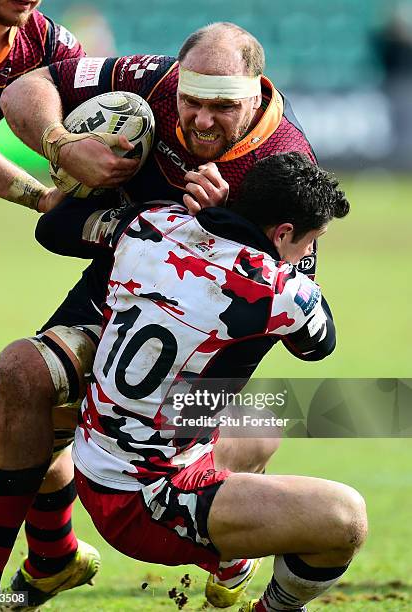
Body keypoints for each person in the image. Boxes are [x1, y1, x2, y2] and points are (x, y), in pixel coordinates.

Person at [0, 22, 318, 610]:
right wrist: (60, 142)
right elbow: (26, 86)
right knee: (23, 375)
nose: (201, 120)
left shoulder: (283, 168)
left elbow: (303, 323)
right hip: (122, 280)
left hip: (207, 335)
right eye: (191, 102)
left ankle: (225, 518)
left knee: (243, 425)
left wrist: (228, 234)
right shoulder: (150, 78)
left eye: (222, 107)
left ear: (256, 94)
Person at [64, 151, 366, 612]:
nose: (308, 254)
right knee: (346, 519)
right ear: (283, 233)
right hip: (145, 503)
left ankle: (230, 566)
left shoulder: (155, 222)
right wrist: (283, 266)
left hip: (94, 461)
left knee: (262, 423)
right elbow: (318, 344)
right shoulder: (280, 291)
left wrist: (218, 220)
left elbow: (54, 228)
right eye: (311, 242)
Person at [0, 0, 102, 607]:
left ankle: (50, 555)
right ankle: (55, 554)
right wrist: (45, 196)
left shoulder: (46, 42)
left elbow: (98, 112)